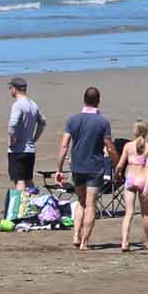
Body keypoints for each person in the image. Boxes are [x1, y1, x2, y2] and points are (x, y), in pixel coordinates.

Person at [60, 87, 114, 252]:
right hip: (94, 167)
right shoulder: (103, 122)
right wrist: (117, 164)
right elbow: (110, 147)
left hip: (78, 166)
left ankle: (76, 235)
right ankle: (84, 242)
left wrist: (59, 168)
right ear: (98, 101)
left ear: (84, 100)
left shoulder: (72, 120)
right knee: (90, 205)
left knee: (81, 202)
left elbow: (64, 146)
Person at [117, 119, 148, 253]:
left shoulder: (128, 146)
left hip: (130, 180)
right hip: (142, 180)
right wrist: (146, 186)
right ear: (146, 132)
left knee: (129, 213)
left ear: (134, 132)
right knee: (145, 214)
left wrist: (117, 174)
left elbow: (121, 164)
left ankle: (124, 242)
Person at [6, 78, 45, 191]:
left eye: (10, 88)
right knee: (28, 180)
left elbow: (12, 124)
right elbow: (42, 122)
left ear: (14, 89)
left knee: (19, 180)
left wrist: (12, 140)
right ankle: (31, 205)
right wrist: (34, 139)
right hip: (29, 150)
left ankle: (21, 208)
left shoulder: (18, 105)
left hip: (18, 150)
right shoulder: (33, 104)